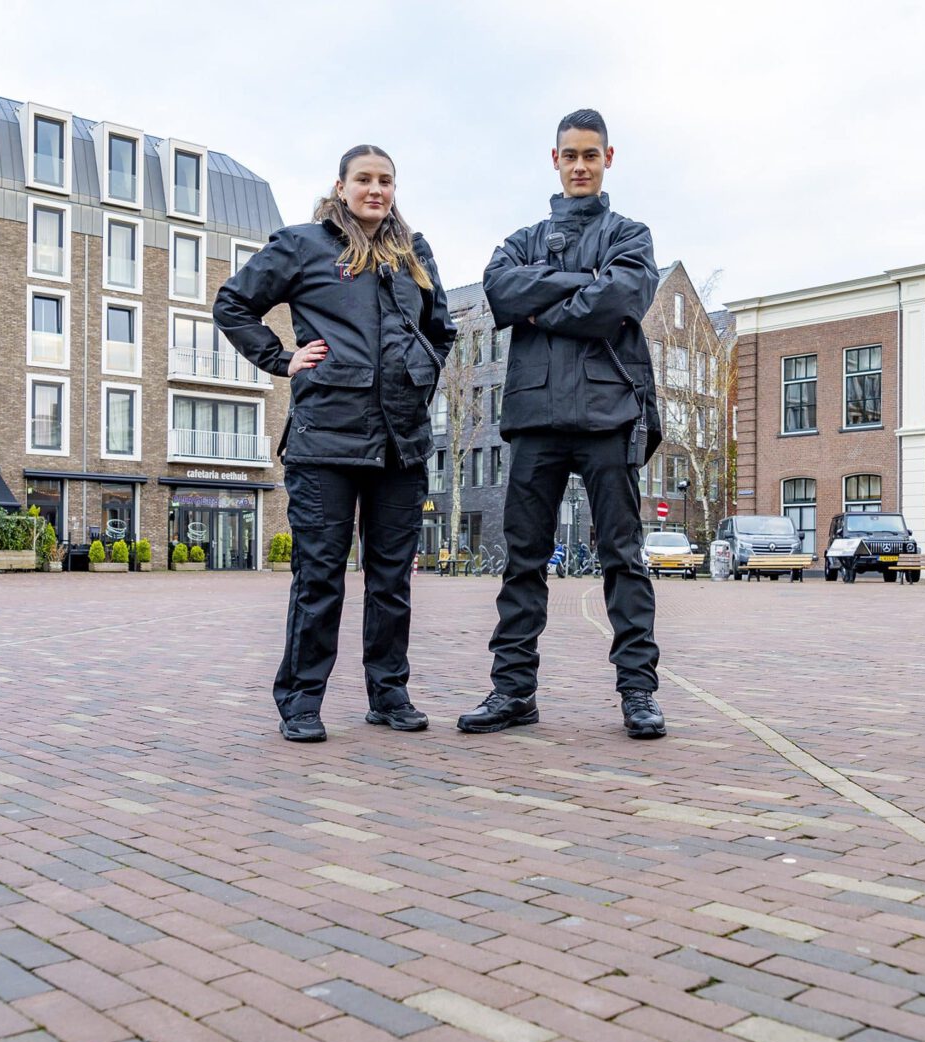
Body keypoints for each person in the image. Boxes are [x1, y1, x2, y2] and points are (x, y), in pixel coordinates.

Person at [214, 145, 455, 743]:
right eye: (364, 180)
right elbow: (233, 303)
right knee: (320, 574)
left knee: (391, 575)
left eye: (386, 181)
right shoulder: (304, 245)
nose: (376, 190)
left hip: (403, 444)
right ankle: (300, 700)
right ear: (341, 185)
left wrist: (419, 372)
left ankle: (389, 693)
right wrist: (283, 358)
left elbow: (440, 329)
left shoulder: (413, 254)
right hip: (325, 441)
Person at [457, 109, 666, 739]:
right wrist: (583, 288)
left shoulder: (632, 235)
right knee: (523, 561)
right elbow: (500, 292)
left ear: (608, 159)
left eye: (590, 156)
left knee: (622, 558)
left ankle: (638, 693)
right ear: (554, 160)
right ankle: (512, 691)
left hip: (607, 416)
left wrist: (546, 299)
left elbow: (622, 300)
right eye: (569, 155)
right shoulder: (518, 241)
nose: (579, 166)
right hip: (535, 417)